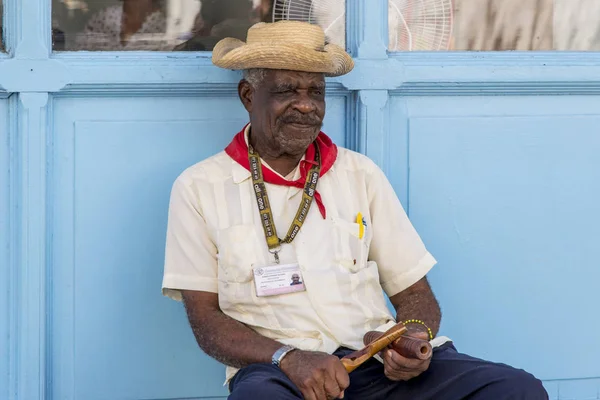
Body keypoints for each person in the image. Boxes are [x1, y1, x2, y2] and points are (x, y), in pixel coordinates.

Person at [162, 20, 548, 400]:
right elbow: (207, 323)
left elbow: (415, 292)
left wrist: (412, 337)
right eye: (286, 91)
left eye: (316, 91)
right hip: (281, 373)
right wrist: (288, 357)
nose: (305, 105)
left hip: (377, 365)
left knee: (517, 390)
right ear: (248, 95)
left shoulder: (359, 173)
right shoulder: (199, 187)